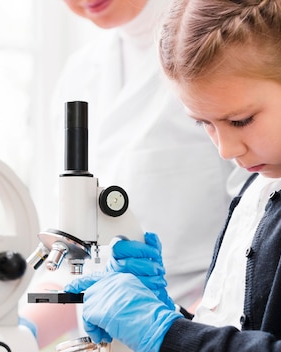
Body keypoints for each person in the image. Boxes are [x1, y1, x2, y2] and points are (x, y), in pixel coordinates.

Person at [63, 0, 281, 351]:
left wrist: (169, 334)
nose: (225, 150)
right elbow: (249, 330)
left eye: (240, 121)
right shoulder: (263, 182)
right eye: (204, 124)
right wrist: (169, 314)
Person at [23, 0, 238, 349]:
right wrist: (15, 332)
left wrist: (182, 332)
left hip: (207, 327)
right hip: (108, 329)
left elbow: (256, 234)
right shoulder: (78, 73)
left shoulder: (222, 50)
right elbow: (72, 255)